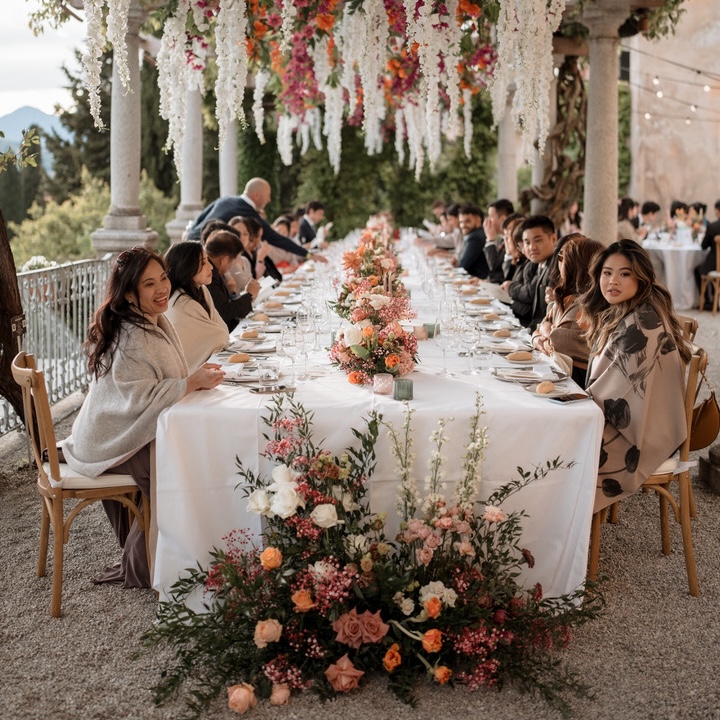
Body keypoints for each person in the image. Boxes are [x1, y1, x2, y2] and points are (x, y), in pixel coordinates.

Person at [60, 246, 225, 588]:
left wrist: (189, 381)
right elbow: (136, 397)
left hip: (121, 429)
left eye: (163, 278)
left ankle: (181, 553)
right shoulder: (133, 334)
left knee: (189, 448)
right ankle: (147, 564)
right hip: (110, 438)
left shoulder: (153, 319)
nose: (162, 288)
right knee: (181, 459)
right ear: (131, 294)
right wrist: (190, 382)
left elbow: (154, 385)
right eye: (149, 284)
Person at [579, 239, 690, 513]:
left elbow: (617, 396)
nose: (612, 281)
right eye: (607, 272)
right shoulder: (629, 311)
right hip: (642, 422)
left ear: (641, 278)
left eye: (624, 273)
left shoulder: (643, 323)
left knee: (560, 447)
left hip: (643, 436)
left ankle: (558, 525)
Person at [186, 178, 326, 263]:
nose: (269, 200)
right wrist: (308, 254)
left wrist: (189, 234)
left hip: (190, 241)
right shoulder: (248, 212)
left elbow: (201, 217)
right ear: (256, 195)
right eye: (268, 196)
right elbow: (276, 238)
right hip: (203, 251)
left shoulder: (226, 199)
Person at [531, 234, 604, 386]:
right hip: (557, 374)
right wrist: (539, 336)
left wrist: (544, 331)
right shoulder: (565, 296)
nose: (560, 263)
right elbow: (539, 330)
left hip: (576, 383)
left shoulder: (588, 305)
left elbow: (556, 342)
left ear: (578, 266)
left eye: (563, 259)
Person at [164, 241, 230, 371]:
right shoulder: (180, 303)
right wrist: (219, 336)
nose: (211, 267)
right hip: (188, 375)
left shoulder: (202, 290)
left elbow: (221, 330)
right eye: (204, 262)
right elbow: (219, 336)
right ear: (187, 266)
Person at [205, 230, 261, 331]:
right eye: (232, 264)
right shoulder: (209, 275)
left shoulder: (216, 271)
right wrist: (249, 295)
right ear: (224, 260)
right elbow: (223, 312)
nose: (231, 268)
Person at [508, 215, 557, 330]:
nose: (532, 247)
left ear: (553, 239)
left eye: (538, 240)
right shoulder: (537, 265)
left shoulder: (557, 268)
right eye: (527, 242)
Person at [693, 199, 720, 308]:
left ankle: (706, 301)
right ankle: (715, 298)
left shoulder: (713, 226)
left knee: (698, 270)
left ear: (717, 211)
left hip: (716, 264)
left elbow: (704, 246)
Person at [483, 199, 514, 283]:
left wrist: (490, 239)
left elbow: (494, 268)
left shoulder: (513, 240)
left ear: (503, 219)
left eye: (491, 216)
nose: (488, 220)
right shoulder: (502, 239)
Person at [457, 204, 489, 279]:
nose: (463, 225)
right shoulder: (478, 233)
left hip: (477, 282)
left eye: (467, 221)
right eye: (461, 222)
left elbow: (463, 266)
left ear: (478, 220)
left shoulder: (475, 237)